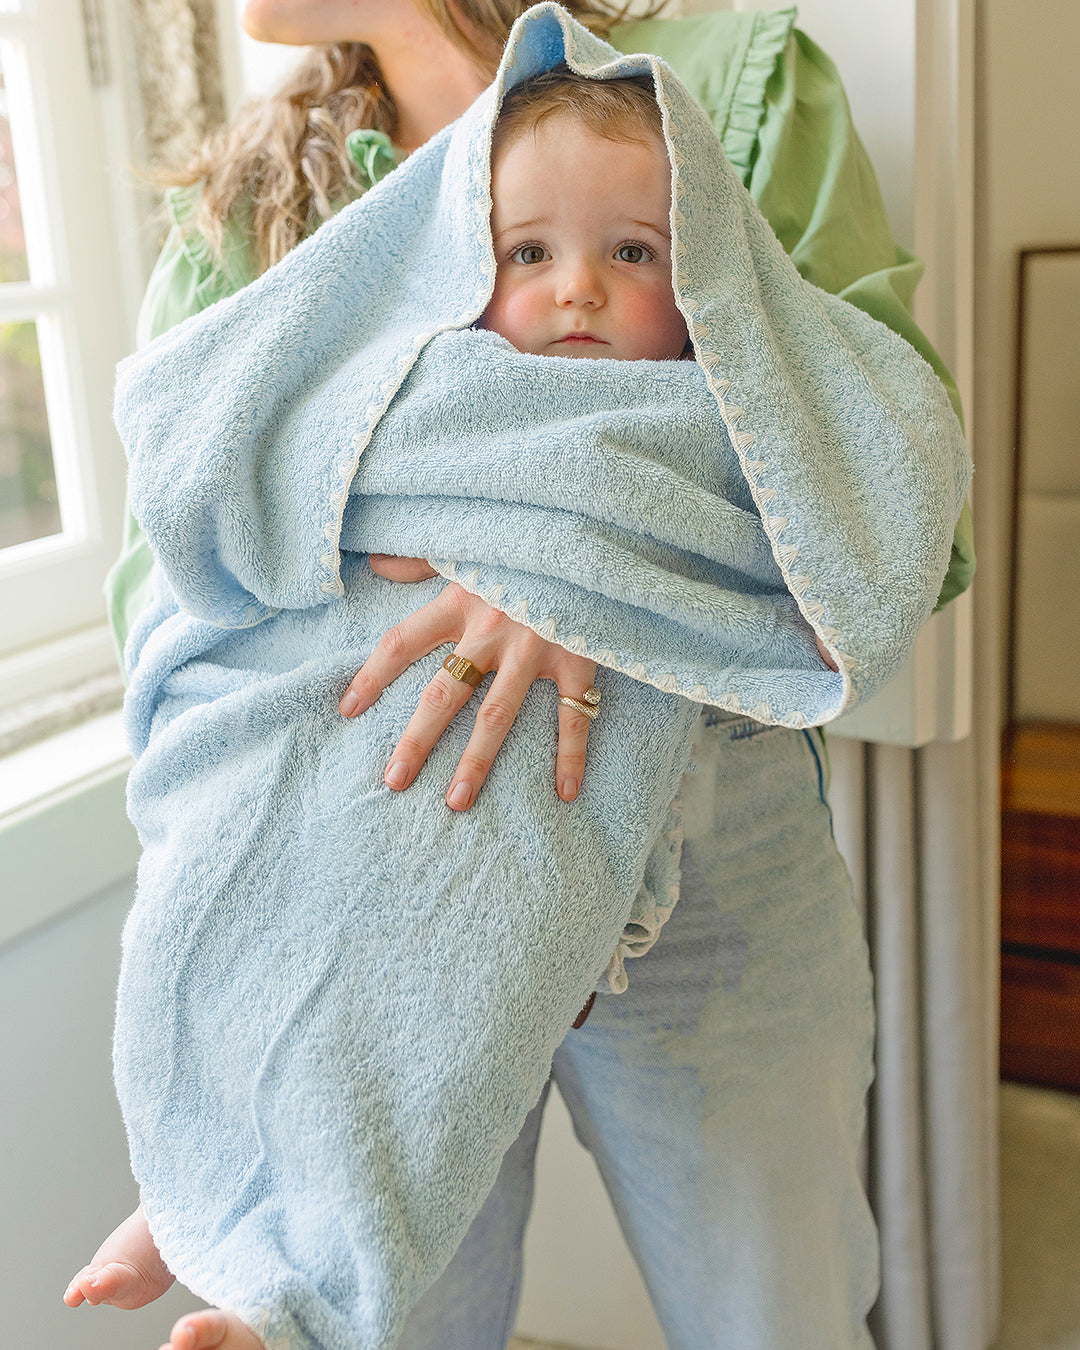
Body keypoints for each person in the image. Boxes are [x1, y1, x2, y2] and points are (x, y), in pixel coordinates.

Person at [65, 4, 972, 1350]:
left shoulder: (733, 86)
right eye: (525, 253)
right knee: (394, 1290)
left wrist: (582, 572)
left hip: (707, 828)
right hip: (392, 815)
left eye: (624, 253)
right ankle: (241, 1221)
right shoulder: (250, 195)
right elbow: (184, 548)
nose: (575, 285)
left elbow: (877, 474)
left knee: (773, 1307)